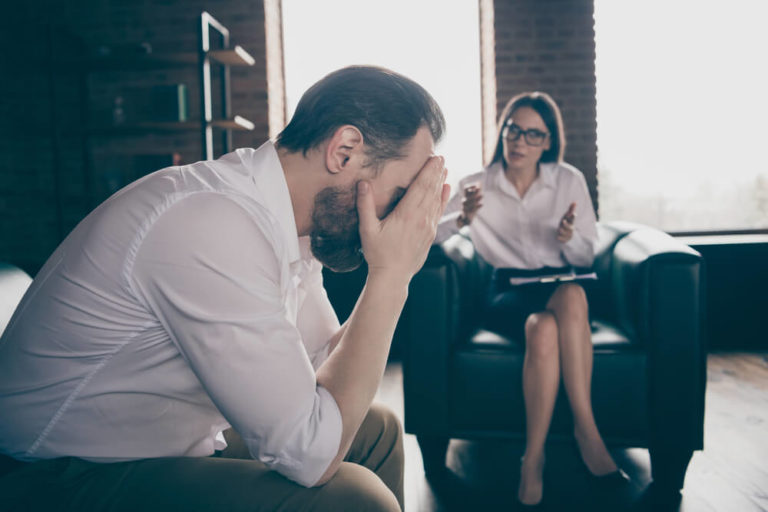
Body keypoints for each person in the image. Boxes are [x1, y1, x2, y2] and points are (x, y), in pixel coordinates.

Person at [0, 65, 450, 512]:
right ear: (345, 151)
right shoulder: (212, 222)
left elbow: (321, 365)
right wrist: (390, 277)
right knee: (355, 499)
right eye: (403, 193)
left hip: (158, 444)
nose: (401, 216)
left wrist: (393, 273)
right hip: (51, 472)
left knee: (378, 431)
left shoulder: (287, 223)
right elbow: (311, 454)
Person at [429, 91, 627, 507]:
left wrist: (568, 238)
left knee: (550, 321)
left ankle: (533, 458)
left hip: (560, 284)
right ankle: (587, 436)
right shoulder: (475, 185)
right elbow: (427, 235)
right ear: (503, 133)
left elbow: (586, 254)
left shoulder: (568, 180)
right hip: (507, 291)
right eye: (513, 130)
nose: (519, 141)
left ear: (548, 142)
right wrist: (462, 218)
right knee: (561, 303)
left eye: (532, 134)